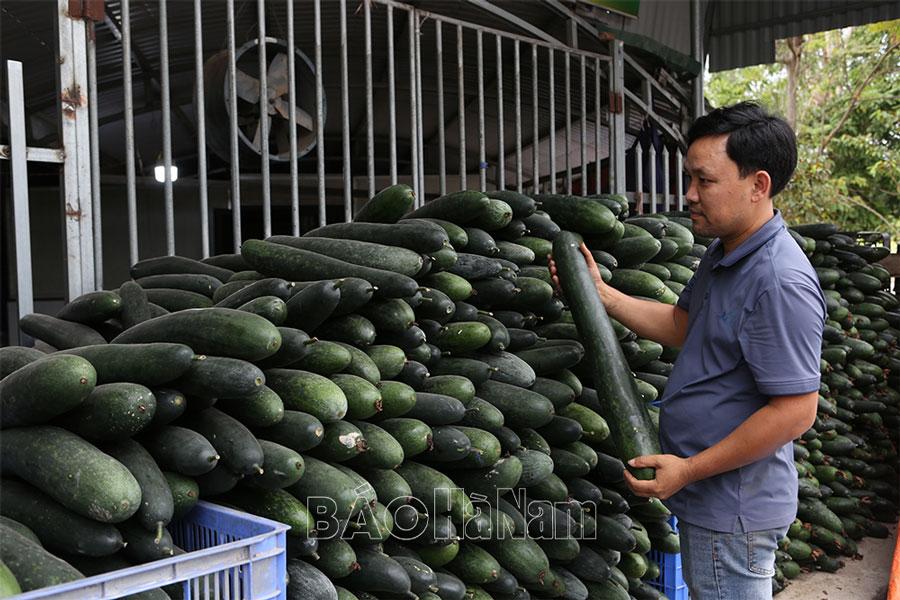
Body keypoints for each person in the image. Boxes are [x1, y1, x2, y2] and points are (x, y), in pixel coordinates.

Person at [549, 102, 826, 600]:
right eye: (689, 178)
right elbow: (682, 325)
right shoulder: (727, 254)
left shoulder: (778, 280)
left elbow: (795, 411)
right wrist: (600, 293)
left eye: (705, 180)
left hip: (731, 507)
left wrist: (690, 469)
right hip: (713, 498)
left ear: (758, 185)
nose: (690, 195)